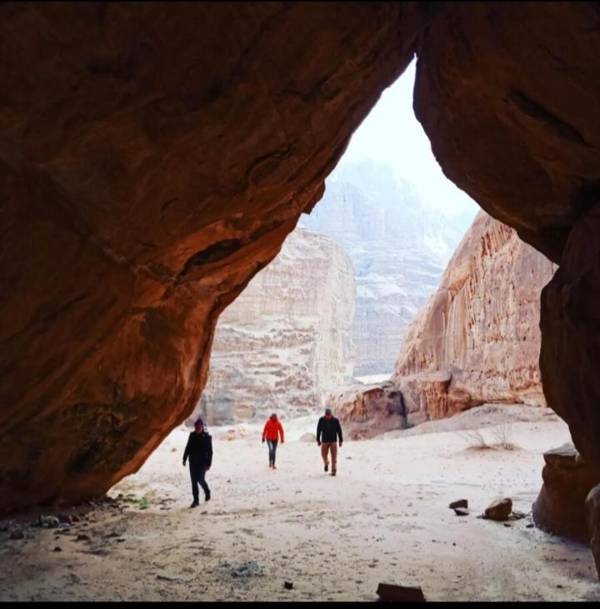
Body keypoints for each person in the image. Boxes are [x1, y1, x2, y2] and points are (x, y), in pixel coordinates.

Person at [183, 417, 213, 508]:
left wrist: (209, 464)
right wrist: (184, 458)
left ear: (202, 427)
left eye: (199, 427)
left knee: (200, 479)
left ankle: (207, 491)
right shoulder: (192, 435)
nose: (197, 429)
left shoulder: (207, 437)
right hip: (192, 462)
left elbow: (210, 452)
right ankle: (195, 500)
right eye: (196, 428)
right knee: (194, 482)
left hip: (202, 463)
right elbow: (188, 447)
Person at [316, 407, 343, 476]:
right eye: (326, 415)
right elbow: (318, 430)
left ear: (331, 414)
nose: (327, 416)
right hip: (324, 441)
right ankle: (326, 462)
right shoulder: (321, 420)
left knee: (334, 456)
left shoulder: (335, 420)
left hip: (333, 441)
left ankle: (334, 470)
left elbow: (339, 431)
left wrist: (340, 440)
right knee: (323, 454)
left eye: (328, 415)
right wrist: (318, 440)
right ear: (325, 414)